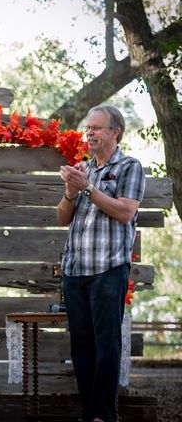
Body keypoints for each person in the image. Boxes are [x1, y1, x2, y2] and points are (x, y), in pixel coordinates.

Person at [57, 105, 146, 422]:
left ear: (114, 132)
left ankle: (104, 415)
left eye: (96, 127)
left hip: (108, 270)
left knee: (107, 345)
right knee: (81, 346)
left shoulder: (129, 167)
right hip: (75, 272)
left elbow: (124, 212)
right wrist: (70, 192)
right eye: (88, 128)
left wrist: (88, 189)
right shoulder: (83, 169)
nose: (89, 133)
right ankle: (88, 412)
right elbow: (62, 218)